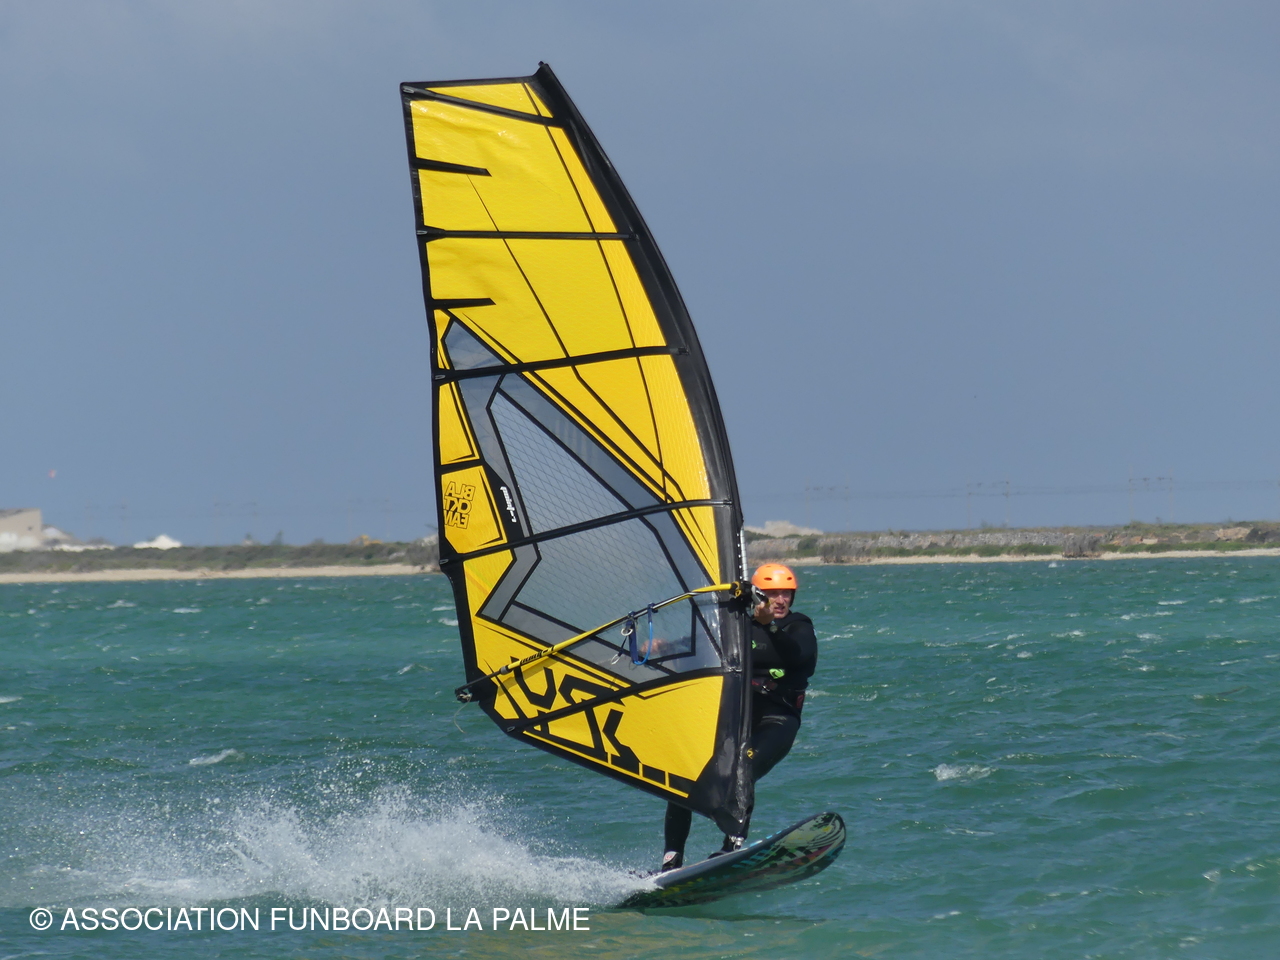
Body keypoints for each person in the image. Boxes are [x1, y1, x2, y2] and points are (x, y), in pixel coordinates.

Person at [659, 562, 818, 871]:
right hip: (734, 721)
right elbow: (701, 647)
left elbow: (798, 655)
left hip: (777, 721)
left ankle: (732, 845)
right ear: (758, 596)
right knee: (684, 774)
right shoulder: (738, 627)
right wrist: (666, 647)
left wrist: (770, 626)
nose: (780, 600)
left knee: (742, 769)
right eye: (772, 594)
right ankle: (671, 860)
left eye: (786, 593)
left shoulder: (799, 626)